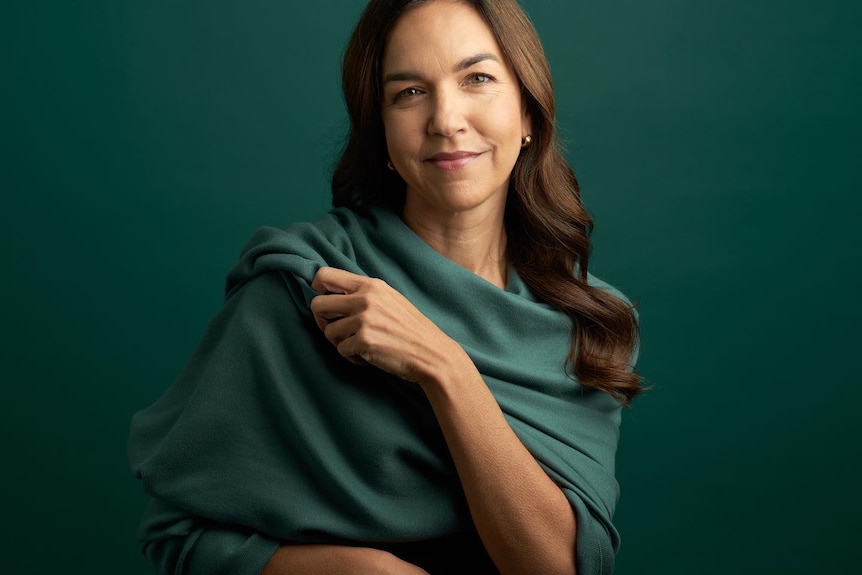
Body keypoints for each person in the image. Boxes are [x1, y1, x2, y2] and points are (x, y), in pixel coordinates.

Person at [127, 0, 645, 574]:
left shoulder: (589, 322)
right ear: (381, 131)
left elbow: (557, 569)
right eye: (409, 93)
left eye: (477, 78)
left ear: (528, 113)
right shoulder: (307, 287)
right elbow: (181, 538)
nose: (446, 120)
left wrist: (445, 368)